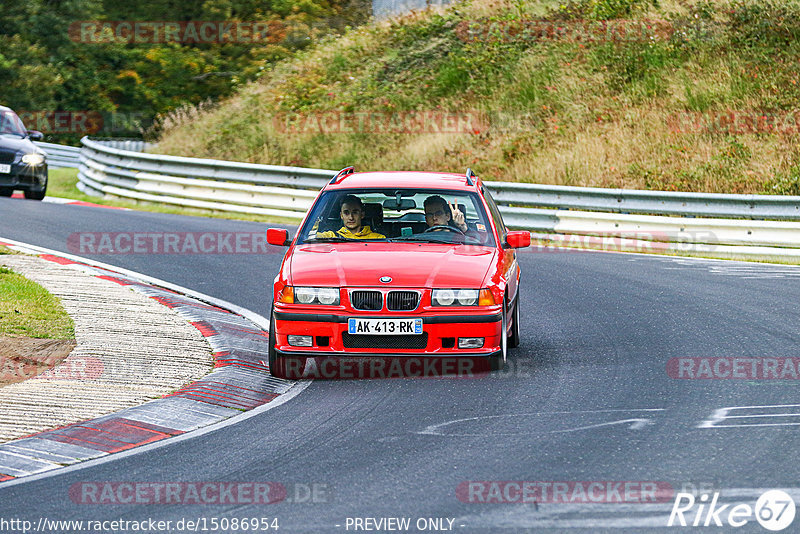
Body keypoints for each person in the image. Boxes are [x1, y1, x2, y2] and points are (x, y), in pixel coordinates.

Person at [316, 194, 385, 239]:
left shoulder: (378, 238)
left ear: (362, 215)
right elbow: (308, 237)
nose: (351, 217)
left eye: (355, 212)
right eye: (346, 213)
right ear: (341, 215)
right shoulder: (331, 236)